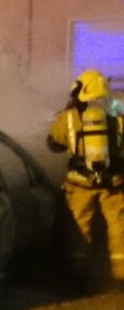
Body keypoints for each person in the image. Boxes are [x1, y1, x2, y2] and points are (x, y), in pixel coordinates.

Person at [47, 69, 124, 289]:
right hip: (113, 185)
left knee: (79, 230)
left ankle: (76, 276)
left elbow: (53, 144)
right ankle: (120, 279)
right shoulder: (117, 117)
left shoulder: (69, 119)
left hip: (80, 185)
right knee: (119, 229)